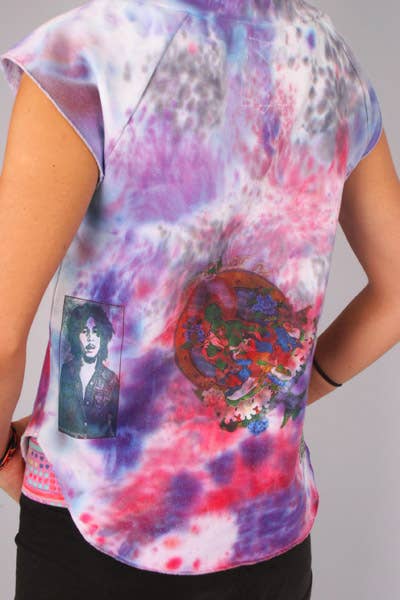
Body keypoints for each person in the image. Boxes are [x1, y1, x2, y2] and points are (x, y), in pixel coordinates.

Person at [0, 0, 398, 598]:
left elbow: (3, 335)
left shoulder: (87, 51)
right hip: (266, 538)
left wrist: (4, 459)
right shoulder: (331, 64)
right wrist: (274, 394)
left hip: (95, 527)